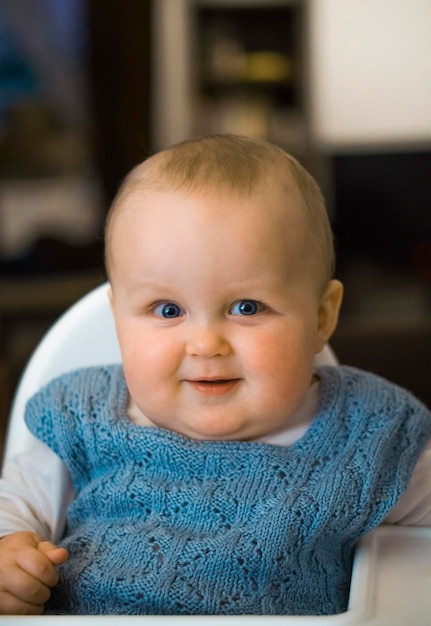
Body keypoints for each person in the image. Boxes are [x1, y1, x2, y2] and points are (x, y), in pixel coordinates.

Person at [1, 134, 431, 616]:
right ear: (118, 317)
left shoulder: (370, 435)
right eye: (167, 310)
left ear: (320, 318)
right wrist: (11, 555)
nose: (206, 344)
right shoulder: (81, 417)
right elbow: (17, 507)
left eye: (246, 307)